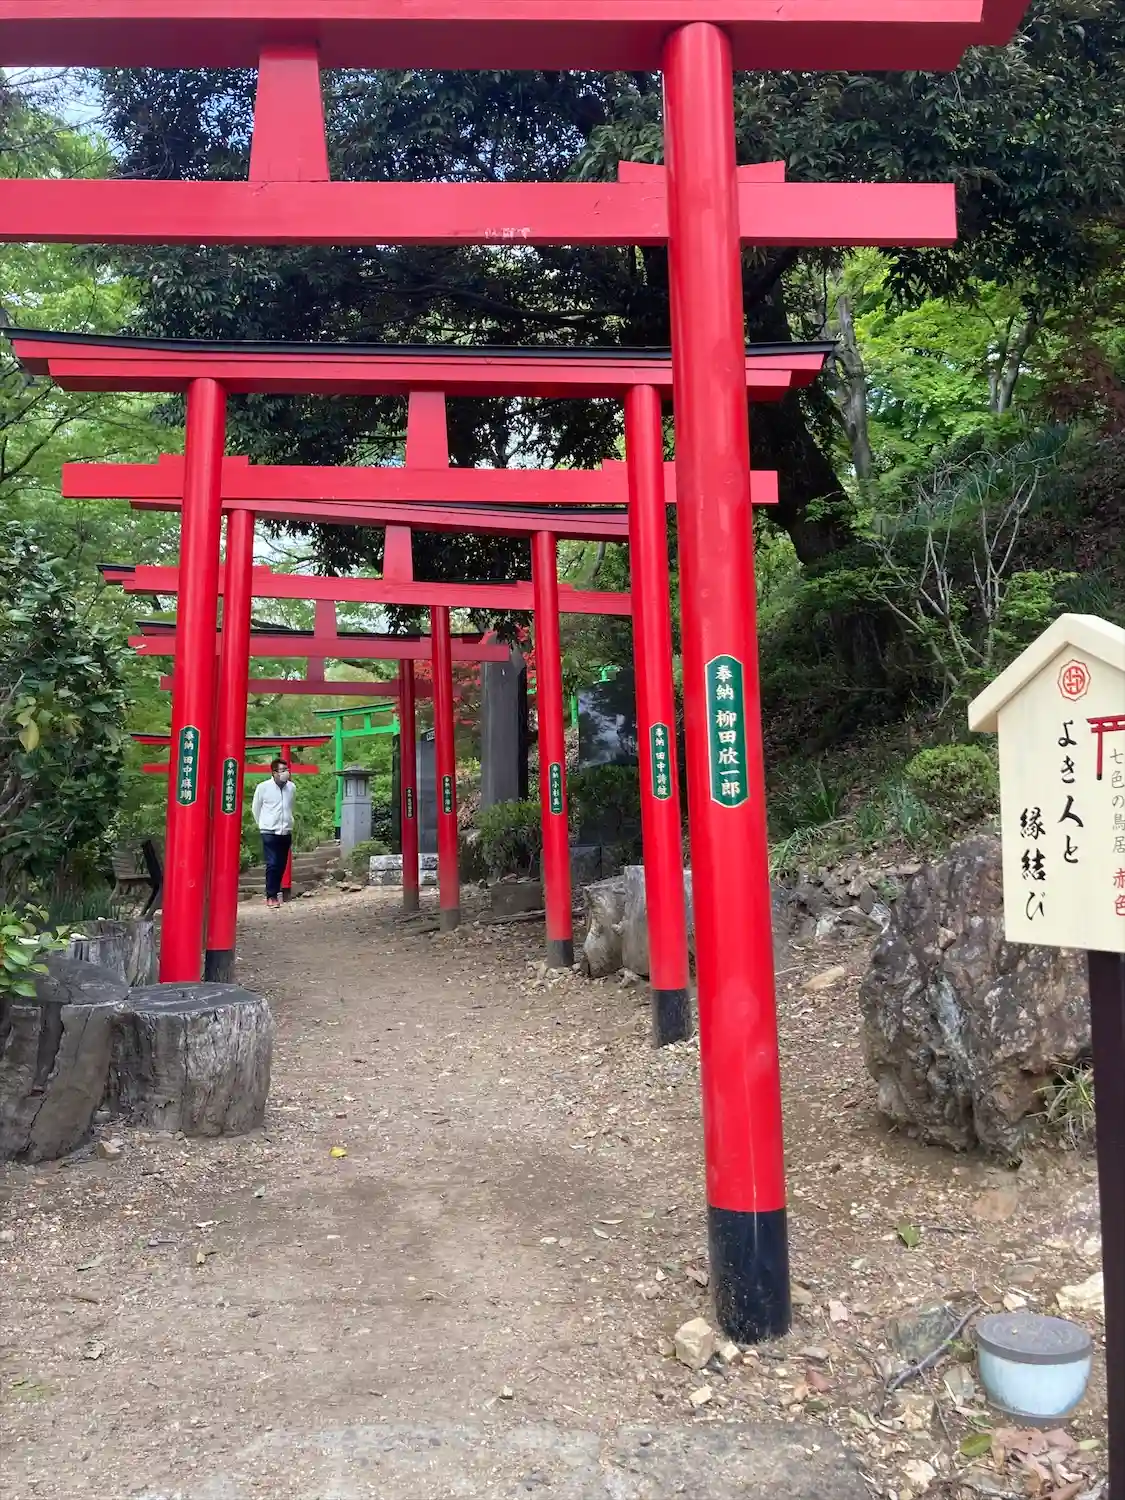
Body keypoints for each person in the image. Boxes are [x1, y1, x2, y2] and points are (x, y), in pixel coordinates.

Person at [251, 757, 295, 909]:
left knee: (281, 864)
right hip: (269, 831)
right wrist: (263, 824)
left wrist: (289, 822)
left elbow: (290, 806)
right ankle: (271, 896)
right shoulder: (263, 787)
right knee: (273, 863)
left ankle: (276, 892)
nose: (285, 773)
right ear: (274, 772)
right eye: (282, 770)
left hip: (286, 831)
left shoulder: (291, 787)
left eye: (286, 770)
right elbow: (256, 808)